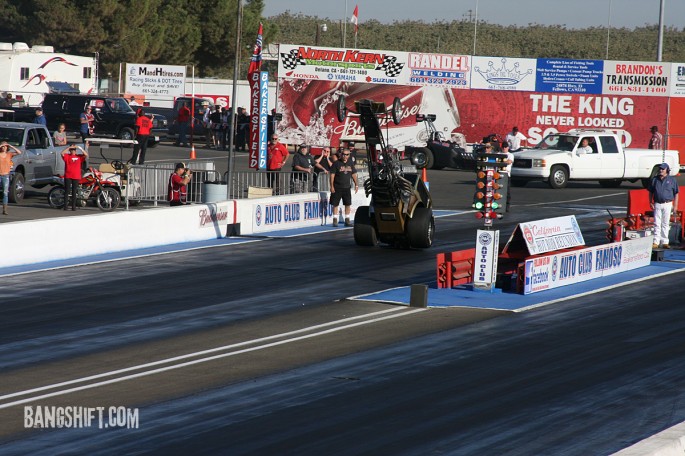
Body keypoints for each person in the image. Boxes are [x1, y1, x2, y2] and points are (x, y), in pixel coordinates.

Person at [648, 163, 679, 249]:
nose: (661, 170)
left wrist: (675, 206)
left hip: (667, 203)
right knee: (657, 223)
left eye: (663, 169)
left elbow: (676, 193)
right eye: (660, 169)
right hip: (657, 203)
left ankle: (665, 241)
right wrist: (650, 202)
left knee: (665, 223)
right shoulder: (655, 179)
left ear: (667, 170)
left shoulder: (672, 180)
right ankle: (656, 241)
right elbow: (650, 191)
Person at [329, 148, 359, 227]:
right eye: (343, 154)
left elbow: (354, 174)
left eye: (347, 154)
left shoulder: (350, 163)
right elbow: (332, 175)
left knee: (347, 204)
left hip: (347, 187)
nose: (345, 156)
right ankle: (335, 220)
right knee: (335, 204)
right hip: (337, 187)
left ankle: (347, 220)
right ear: (341, 154)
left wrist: (356, 184)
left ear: (349, 155)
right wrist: (331, 186)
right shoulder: (336, 163)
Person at [61, 144, 88, 211]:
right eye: (72, 150)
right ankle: (65, 206)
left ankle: (73, 206)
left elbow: (86, 155)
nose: (73, 151)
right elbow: (62, 153)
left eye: (74, 150)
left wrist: (79, 148)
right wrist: (69, 147)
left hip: (76, 176)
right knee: (67, 191)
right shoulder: (67, 156)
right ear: (70, 151)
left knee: (74, 191)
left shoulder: (79, 157)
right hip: (68, 175)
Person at [0, 142, 22, 215]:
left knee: (5, 193)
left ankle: (4, 209)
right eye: (3, 147)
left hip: (5, 176)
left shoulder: (9, 154)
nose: (4, 148)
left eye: (5, 147)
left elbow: (19, 152)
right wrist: (1, 145)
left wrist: (10, 146)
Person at [500, 141, 514, 212]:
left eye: (505, 147)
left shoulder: (510, 155)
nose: (504, 148)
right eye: (503, 147)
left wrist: (501, 161)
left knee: (507, 192)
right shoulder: (499, 154)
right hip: (498, 174)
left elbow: (509, 162)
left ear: (508, 147)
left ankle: (507, 206)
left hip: (506, 174)